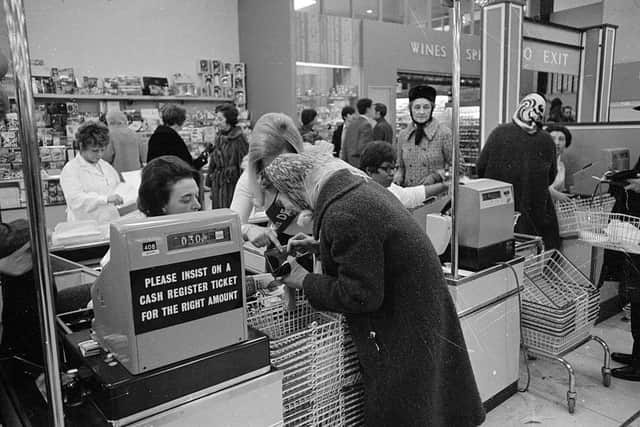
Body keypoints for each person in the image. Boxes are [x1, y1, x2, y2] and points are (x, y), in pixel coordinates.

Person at [256, 152, 485, 426]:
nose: (284, 208)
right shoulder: (353, 188)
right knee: (433, 404)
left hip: (403, 326)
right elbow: (373, 246)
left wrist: (302, 279)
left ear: (291, 186)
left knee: (407, 410)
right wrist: (323, 246)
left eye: (280, 199)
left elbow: (360, 295)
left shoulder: (342, 212)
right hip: (420, 310)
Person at [477, 93, 560, 249]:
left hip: (498, 212)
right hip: (535, 213)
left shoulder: (499, 133)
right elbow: (551, 177)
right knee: (532, 259)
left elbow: (480, 168)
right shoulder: (546, 140)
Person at [100, 155, 201, 267]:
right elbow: (111, 273)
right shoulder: (132, 238)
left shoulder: (197, 232)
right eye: (186, 199)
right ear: (160, 203)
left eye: (197, 196)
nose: (198, 205)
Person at [60, 121, 124, 222]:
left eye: (102, 150)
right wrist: (105, 199)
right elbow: (76, 200)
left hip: (111, 223)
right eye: (94, 150)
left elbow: (117, 187)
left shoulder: (106, 166)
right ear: (81, 146)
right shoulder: (71, 170)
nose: (99, 154)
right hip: (86, 227)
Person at [360, 141, 448, 209]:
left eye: (393, 168)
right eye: (386, 169)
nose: (392, 173)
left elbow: (411, 195)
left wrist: (444, 186)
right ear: (369, 170)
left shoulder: (388, 188)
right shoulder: (362, 197)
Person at [395, 85, 454, 187]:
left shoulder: (444, 133)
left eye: (426, 107)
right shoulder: (403, 135)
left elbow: (458, 168)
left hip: (435, 195)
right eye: (417, 107)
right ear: (411, 109)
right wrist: (399, 174)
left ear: (432, 109)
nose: (421, 112)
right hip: (410, 194)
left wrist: (436, 176)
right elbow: (400, 165)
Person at [207, 103, 248, 209]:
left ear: (229, 120)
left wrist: (244, 190)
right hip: (218, 184)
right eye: (216, 118)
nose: (216, 122)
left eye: (220, 119)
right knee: (218, 216)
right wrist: (210, 184)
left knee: (232, 213)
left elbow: (244, 166)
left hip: (232, 185)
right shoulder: (218, 137)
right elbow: (213, 162)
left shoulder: (239, 139)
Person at [146, 104, 208, 169]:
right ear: (180, 121)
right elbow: (188, 166)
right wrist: (202, 159)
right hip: (172, 177)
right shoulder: (173, 138)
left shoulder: (155, 136)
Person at [340, 98, 374, 168]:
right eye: (372, 108)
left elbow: (345, 145)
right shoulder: (366, 125)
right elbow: (364, 148)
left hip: (349, 163)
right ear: (368, 109)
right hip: (360, 164)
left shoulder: (352, 124)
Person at [545, 124, 572, 201]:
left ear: (566, 143)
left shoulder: (562, 166)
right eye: (552, 138)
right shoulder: (538, 162)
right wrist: (557, 195)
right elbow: (538, 185)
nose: (557, 143)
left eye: (561, 139)